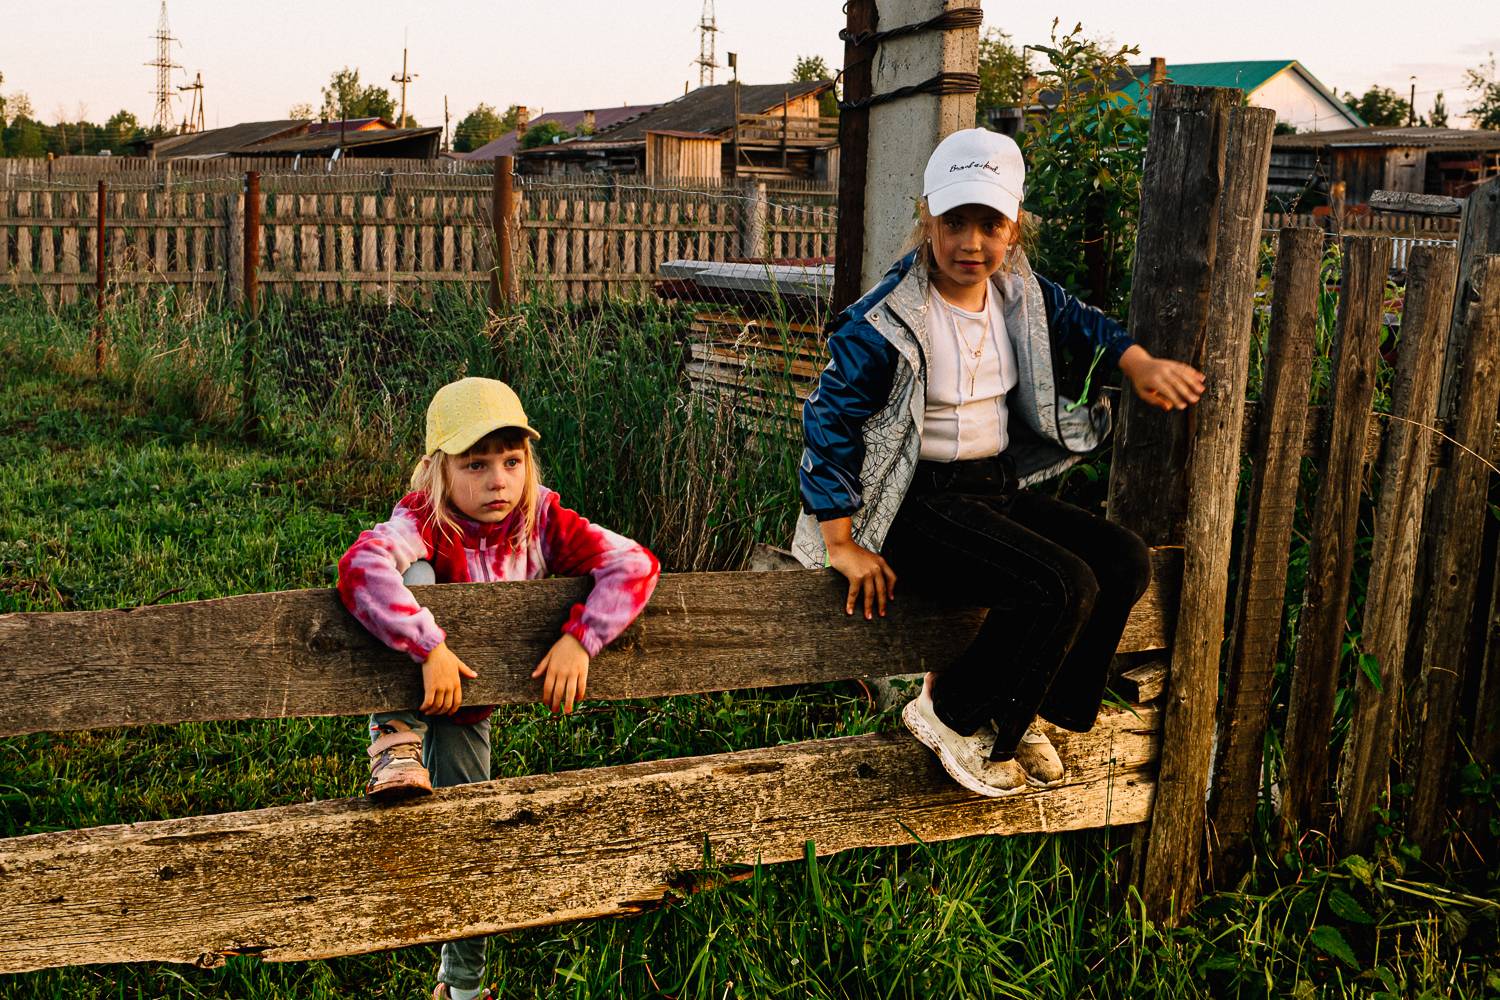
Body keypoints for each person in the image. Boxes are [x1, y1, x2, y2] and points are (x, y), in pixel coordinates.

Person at [795, 129, 1204, 797]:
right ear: (928, 218)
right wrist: (841, 543)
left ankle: (1025, 705)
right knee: (1060, 583)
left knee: (1122, 558)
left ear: (1014, 228)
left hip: (993, 488)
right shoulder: (886, 320)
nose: (971, 242)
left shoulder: (1019, 295)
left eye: (990, 225)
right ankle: (951, 711)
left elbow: (1083, 322)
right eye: (955, 222)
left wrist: (1139, 364)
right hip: (917, 503)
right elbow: (828, 422)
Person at [337, 376, 660, 1000]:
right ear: (438, 470)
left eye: (512, 461)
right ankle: (395, 736)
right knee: (415, 571)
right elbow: (361, 565)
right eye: (476, 464)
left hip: (470, 705)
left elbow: (634, 563)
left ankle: (460, 989)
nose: (498, 481)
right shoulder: (423, 518)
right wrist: (427, 646)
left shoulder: (542, 521)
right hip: (420, 676)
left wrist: (580, 639)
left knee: (473, 838)